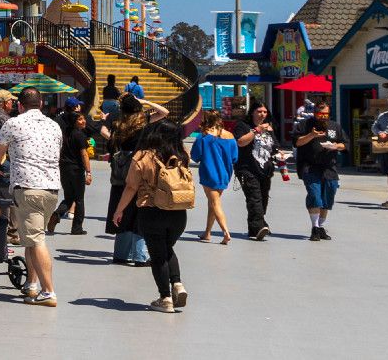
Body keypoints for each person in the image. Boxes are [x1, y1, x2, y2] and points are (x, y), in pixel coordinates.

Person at [0, 86, 64, 307]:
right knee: (31, 236)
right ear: (41, 104)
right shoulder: (54, 126)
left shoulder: (13, 123)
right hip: (52, 189)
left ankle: (48, 291)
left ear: (20, 105)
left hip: (28, 187)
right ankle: (32, 284)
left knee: (37, 239)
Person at [115, 117, 195, 313]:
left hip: (151, 211)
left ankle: (165, 298)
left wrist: (119, 210)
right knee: (167, 249)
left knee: (158, 256)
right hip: (178, 212)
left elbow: (131, 186)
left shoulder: (143, 157)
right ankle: (177, 284)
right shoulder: (182, 155)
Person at [103, 94, 153, 266]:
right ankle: (140, 255)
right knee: (139, 209)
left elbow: (106, 136)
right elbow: (164, 112)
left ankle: (121, 254)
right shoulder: (144, 122)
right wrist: (146, 102)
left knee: (121, 209)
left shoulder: (118, 123)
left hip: (120, 169)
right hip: (138, 166)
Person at [295, 100, 345, 240]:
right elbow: (297, 142)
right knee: (315, 196)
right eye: (320, 113)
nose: (323, 116)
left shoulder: (335, 126)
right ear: (314, 112)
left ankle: (321, 226)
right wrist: (311, 135)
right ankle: (315, 227)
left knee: (327, 198)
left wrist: (336, 146)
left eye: (325, 114)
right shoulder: (304, 125)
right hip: (309, 167)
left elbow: (344, 144)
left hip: (329, 168)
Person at [191, 112, 239, 243]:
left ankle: (225, 232)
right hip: (225, 173)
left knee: (215, 203)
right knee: (212, 202)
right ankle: (207, 232)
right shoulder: (230, 136)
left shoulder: (203, 137)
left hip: (209, 172)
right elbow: (235, 157)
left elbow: (195, 156)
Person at [233, 102, 278, 240]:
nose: (262, 114)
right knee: (254, 198)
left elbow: (274, 146)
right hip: (247, 169)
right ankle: (259, 226)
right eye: (259, 111)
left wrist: (280, 153)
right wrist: (257, 130)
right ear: (252, 112)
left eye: (265, 112)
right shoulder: (242, 126)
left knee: (263, 199)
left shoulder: (269, 128)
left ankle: (255, 228)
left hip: (265, 170)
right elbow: (241, 142)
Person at [54, 103, 92, 235]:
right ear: (74, 122)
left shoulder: (64, 135)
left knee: (69, 197)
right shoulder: (80, 135)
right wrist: (88, 172)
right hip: (76, 169)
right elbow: (84, 154)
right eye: (80, 119)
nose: (83, 121)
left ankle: (57, 214)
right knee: (79, 199)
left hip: (64, 168)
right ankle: (77, 228)